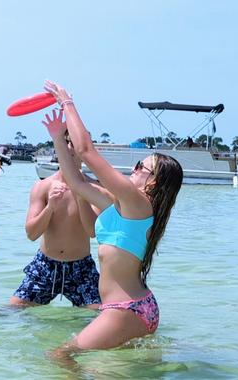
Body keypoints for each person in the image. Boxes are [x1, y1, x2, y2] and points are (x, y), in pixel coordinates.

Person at [42, 80, 183, 356]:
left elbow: (86, 151)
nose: (135, 168)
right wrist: (59, 137)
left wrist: (67, 102)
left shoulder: (138, 202)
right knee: (103, 371)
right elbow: (75, 182)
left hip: (125, 309)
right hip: (131, 308)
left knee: (60, 355)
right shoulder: (123, 207)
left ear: (153, 183)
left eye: (142, 166)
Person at [9, 136, 101, 310]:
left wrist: (81, 196)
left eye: (73, 142)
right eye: (65, 141)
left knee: (99, 313)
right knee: (12, 310)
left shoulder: (93, 187)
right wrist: (50, 208)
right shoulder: (43, 186)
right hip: (46, 264)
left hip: (80, 267)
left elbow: (92, 231)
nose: (68, 147)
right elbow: (31, 234)